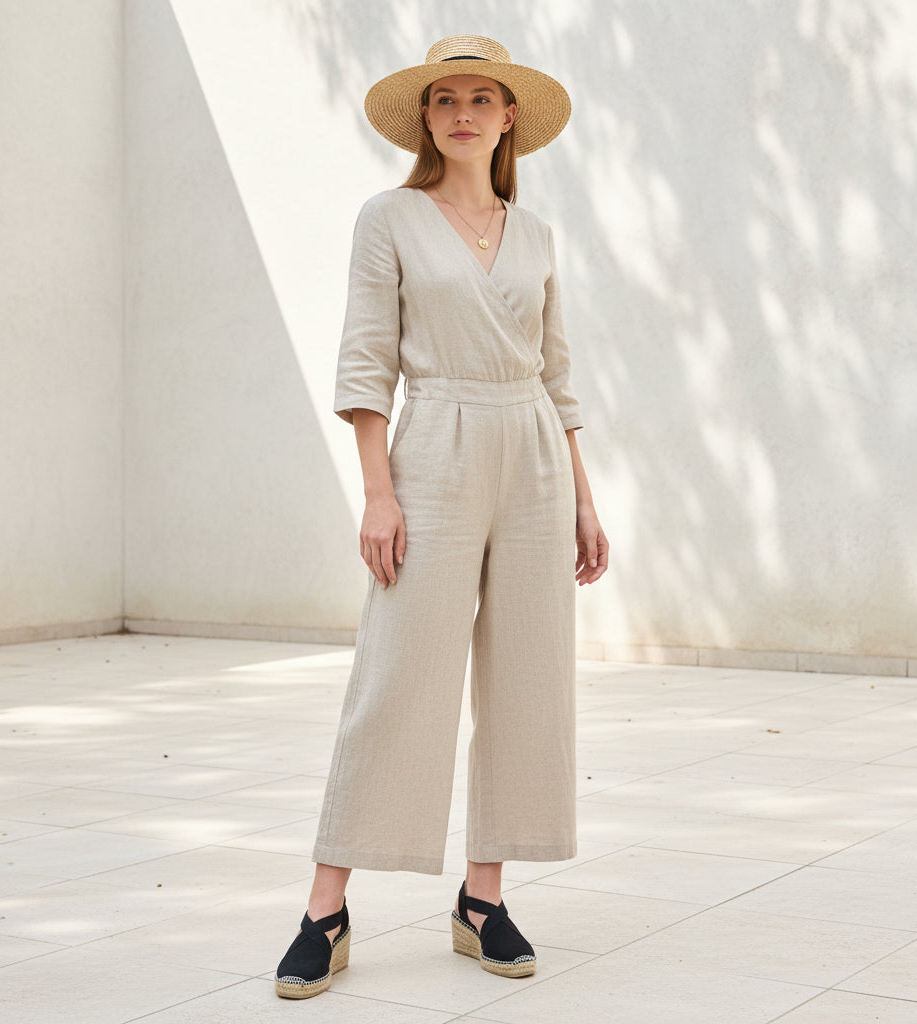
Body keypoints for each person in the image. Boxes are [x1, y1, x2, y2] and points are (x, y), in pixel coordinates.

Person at [275, 34, 608, 1000]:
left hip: (537, 453)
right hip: (438, 445)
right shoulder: (389, 219)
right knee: (399, 670)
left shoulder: (535, 234)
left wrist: (585, 495)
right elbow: (365, 360)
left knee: (528, 676)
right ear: (427, 118)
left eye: (482, 98)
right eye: (445, 98)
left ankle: (482, 899)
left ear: (509, 119)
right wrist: (379, 490)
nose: (462, 112)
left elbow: (559, 375)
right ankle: (324, 907)